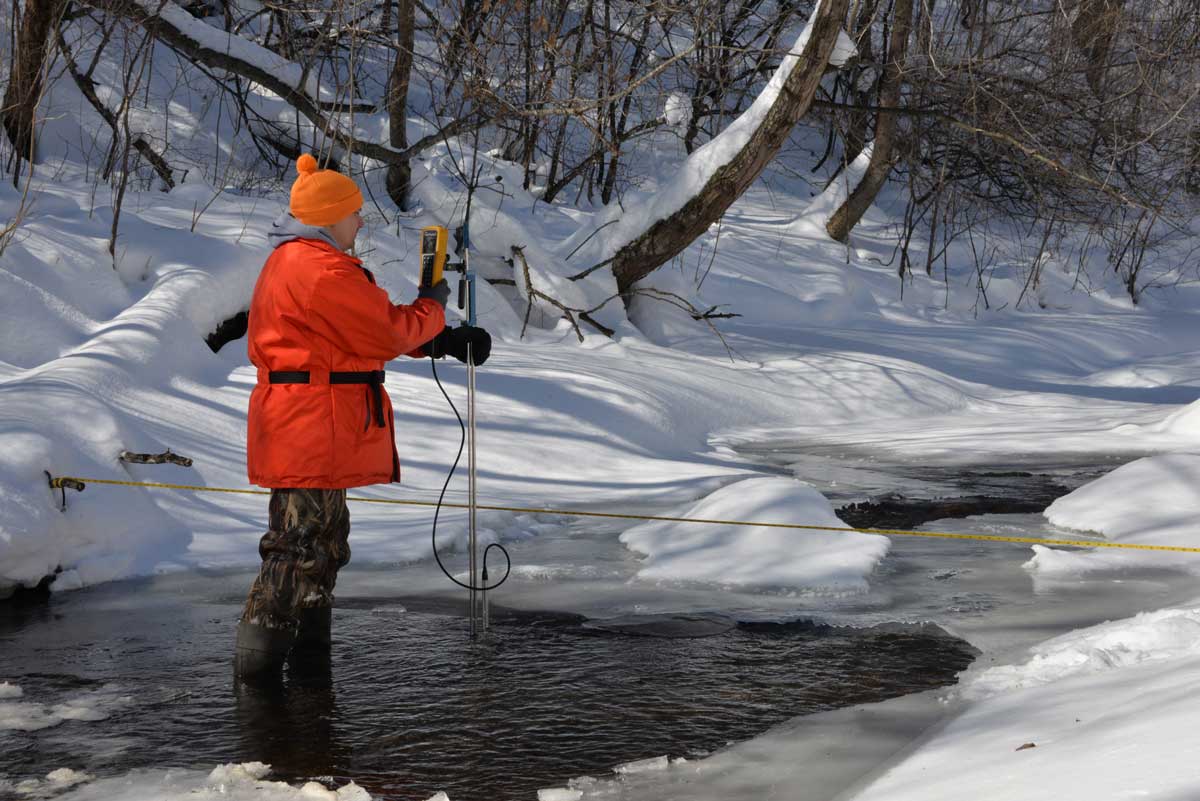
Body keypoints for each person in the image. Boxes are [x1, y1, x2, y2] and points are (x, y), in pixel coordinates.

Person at [235, 153, 492, 680]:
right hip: (309, 425)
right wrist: (433, 308)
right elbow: (384, 330)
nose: (361, 222)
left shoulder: (305, 262)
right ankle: (257, 690)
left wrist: (438, 340)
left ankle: (307, 677)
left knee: (323, 546)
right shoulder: (317, 266)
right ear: (329, 217)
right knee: (298, 549)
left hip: (313, 423)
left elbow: (351, 335)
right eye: (354, 213)